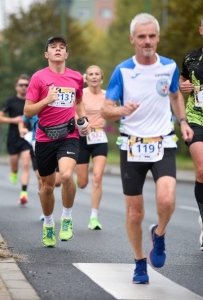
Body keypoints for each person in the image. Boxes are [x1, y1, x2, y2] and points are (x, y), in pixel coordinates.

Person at [101, 13, 193, 284]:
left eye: (152, 36)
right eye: (141, 36)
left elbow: (175, 95)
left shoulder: (169, 67)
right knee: (135, 213)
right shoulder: (123, 71)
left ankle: (160, 234)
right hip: (132, 146)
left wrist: (184, 121)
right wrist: (120, 109)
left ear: (158, 37)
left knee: (166, 200)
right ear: (133, 40)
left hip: (163, 142)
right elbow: (106, 110)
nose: (147, 41)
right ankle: (140, 261)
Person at [24, 35, 90, 247]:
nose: (58, 50)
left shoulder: (76, 78)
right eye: (53, 47)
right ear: (47, 54)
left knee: (67, 176)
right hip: (44, 137)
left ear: (67, 54)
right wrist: (46, 100)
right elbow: (27, 111)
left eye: (62, 47)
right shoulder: (38, 78)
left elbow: (79, 102)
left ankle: (67, 218)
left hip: (68, 136)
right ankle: (49, 224)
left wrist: (83, 120)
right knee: (47, 187)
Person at [179, 16, 203, 251]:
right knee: (202, 170)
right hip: (197, 118)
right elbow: (181, 81)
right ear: (201, 30)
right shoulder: (191, 57)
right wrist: (182, 85)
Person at [75, 65, 108, 230]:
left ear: (101, 78)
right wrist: (80, 122)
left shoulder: (108, 96)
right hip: (82, 138)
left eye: (97, 74)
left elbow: (113, 113)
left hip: (100, 138)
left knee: (97, 177)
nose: (94, 77)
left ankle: (94, 217)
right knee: (82, 183)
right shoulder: (81, 94)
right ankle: (78, 178)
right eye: (90, 74)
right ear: (86, 78)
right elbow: (73, 112)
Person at [18, 114, 62, 221]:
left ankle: (46, 198)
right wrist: (22, 129)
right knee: (41, 178)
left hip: (56, 145)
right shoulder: (34, 107)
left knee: (57, 182)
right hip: (38, 146)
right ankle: (46, 212)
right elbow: (22, 121)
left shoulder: (56, 105)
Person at [0, 74, 32, 205]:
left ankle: (23, 193)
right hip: (13, 136)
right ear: (16, 87)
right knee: (15, 165)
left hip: (27, 137)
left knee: (26, 164)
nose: (24, 87)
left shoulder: (32, 101)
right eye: (21, 85)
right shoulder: (10, 101)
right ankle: (13, 172)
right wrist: (14, 120)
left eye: (26, 85)